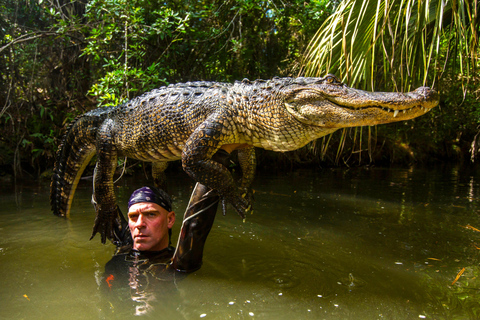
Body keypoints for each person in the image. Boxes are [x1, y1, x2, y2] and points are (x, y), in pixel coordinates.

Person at [102, 150, 231, 316]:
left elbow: (197, 221)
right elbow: (103, 203)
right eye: (133, 217)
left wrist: (222, 152)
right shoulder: (125, 243)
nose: (139, 224)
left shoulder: (176, 263)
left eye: (150, 214)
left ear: (170, 220)